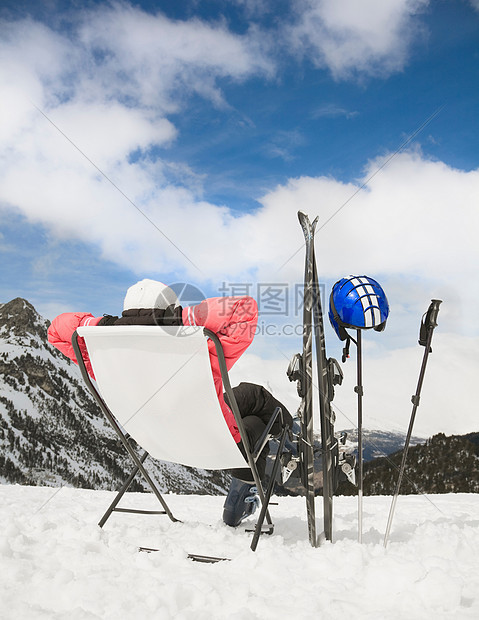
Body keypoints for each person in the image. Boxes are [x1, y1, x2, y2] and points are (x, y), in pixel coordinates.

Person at [48, 279, 292, 527]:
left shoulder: (102, 353)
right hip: (212, 436)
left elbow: (56, 329)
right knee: (254, 424)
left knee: (251, 394)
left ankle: (290, 440)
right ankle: (274, 463)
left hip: (156, 436)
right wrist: (177, 321)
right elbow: (244, 308)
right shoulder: (189, 340)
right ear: (171, 309)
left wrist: (103, 325)